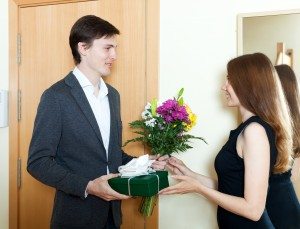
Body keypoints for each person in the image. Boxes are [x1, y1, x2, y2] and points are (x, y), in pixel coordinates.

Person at [27, 15, 164, 229]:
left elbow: (110, 156)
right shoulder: (56, 96)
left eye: (115, 48)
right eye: (107, 48)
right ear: (83, 48)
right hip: (75, 218)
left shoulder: (113, 95)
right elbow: (38, 163)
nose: (114, 55)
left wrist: (145, 164)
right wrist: (89, 186)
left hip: (112, 217)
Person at [160, 53, 293, 228]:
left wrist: (199, 189)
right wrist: (187, 172)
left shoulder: (255, 131)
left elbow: (253, 210)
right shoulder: (246, 129)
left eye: (230, 80)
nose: (224, 87)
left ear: (247, 85)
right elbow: (230, 188)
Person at [265, 64, 300, 228]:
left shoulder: (272, 126)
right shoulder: (294, 125)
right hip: (286, 201)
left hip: (278, 206)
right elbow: (293, 176)